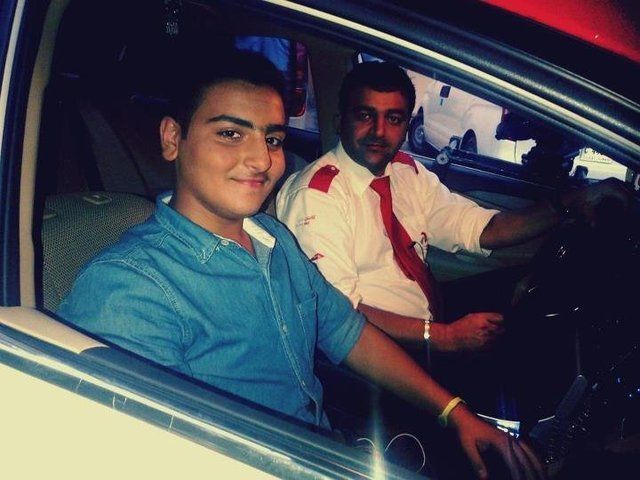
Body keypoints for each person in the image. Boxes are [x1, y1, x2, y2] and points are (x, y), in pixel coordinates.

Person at [57, 52, 543, 479]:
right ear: (172, 138)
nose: (261, 160)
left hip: (327, 445)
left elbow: (346, 331)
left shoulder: (273, 240)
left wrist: (455, 412)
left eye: (272, 139)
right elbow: (135, 455)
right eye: (230, 133)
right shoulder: (129, 288)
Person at [276, 60, 631, 356]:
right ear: (341, 119)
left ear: (406, 124)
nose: (379, 132)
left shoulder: (405, 172)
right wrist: (443, 337)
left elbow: (479, 228)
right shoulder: (316, 196)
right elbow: (337, 313)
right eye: (365, 115)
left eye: (394, 118)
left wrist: (567, 203)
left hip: (428, 324)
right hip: (379, 355)